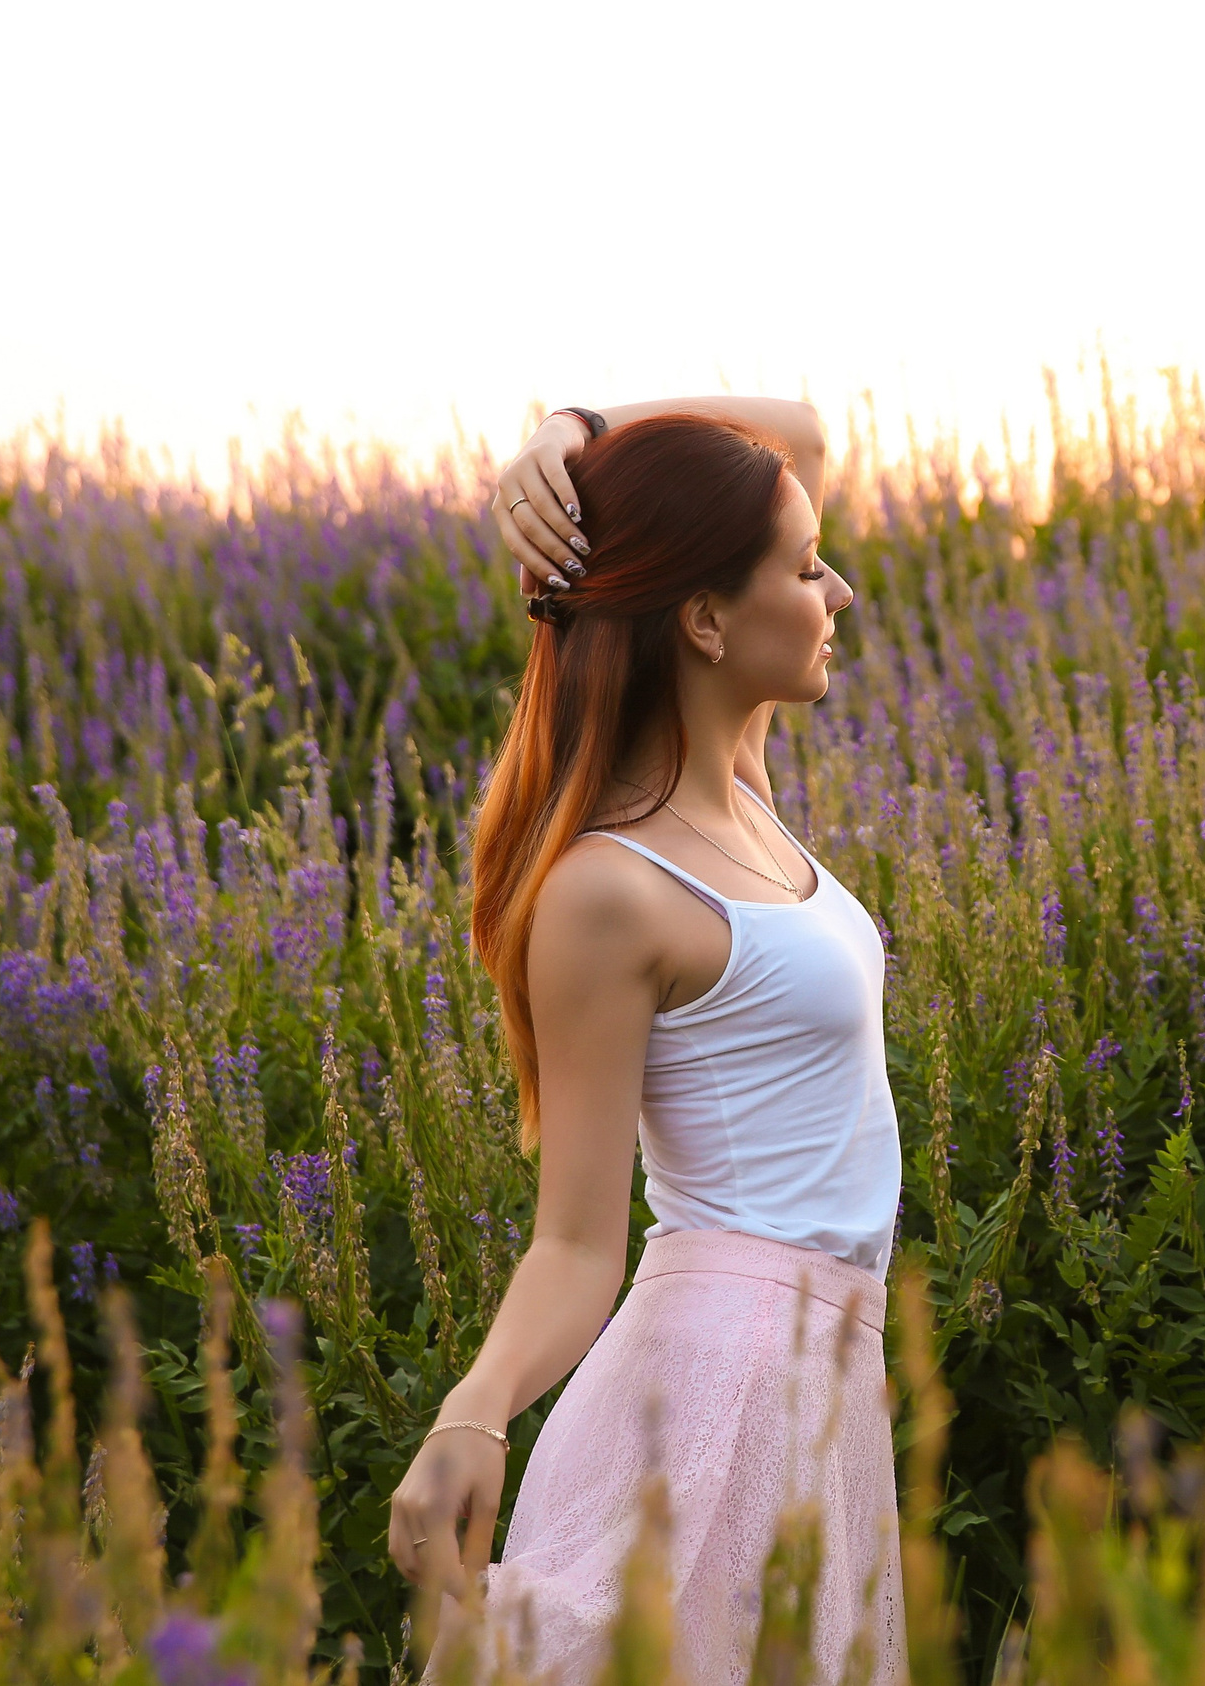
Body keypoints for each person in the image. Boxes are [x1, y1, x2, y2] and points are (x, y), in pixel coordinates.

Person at [388, 400, 905, 1684]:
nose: (836, 587)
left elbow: (798, 432)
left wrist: (573, 432)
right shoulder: (608, 890)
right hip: (717, 1392)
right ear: (707, 620)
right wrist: (473, 1412)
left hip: (823, 1377)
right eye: (801, 567)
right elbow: (575, 1241)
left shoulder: (743, 790)